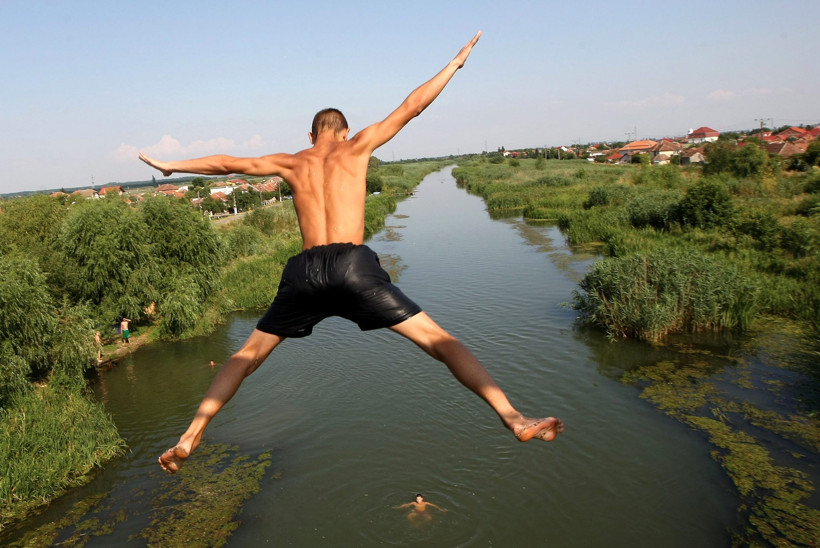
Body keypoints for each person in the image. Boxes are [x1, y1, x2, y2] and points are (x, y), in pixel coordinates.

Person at [140, 31, 563, 474]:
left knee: (245, 358)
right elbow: (412, 106)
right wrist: (456, 63)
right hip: (352, 266)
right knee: (441, 343)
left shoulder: (290, 161)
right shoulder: (357, 145)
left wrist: (173, 165)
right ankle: (513, 418)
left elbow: (228, 163)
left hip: (304, 272)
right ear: (343, 131)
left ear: (309, 134)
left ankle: (191, 434)